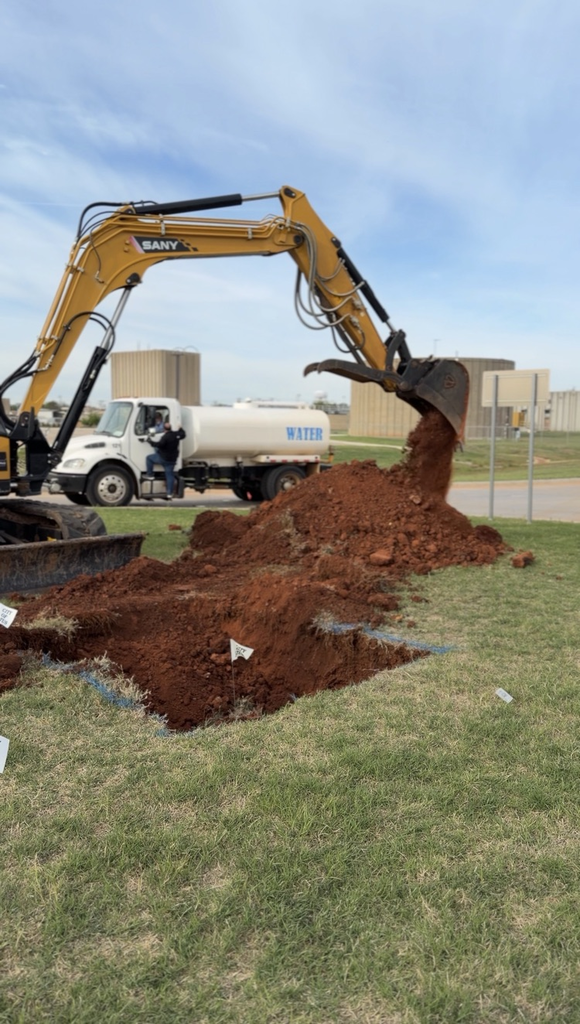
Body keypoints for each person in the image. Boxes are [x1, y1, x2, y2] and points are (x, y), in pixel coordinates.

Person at [145, 422, 186, 499]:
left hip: (163, 458)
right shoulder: (176, 435)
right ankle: (169, 493)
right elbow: (183, 434)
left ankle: (150, 475)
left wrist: (149, 441)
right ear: (170, 428)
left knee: (149, 458)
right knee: (170, 476)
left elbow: (158, 445)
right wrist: (180, 428)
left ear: (164, 429)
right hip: (172, 460)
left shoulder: (165, 437)